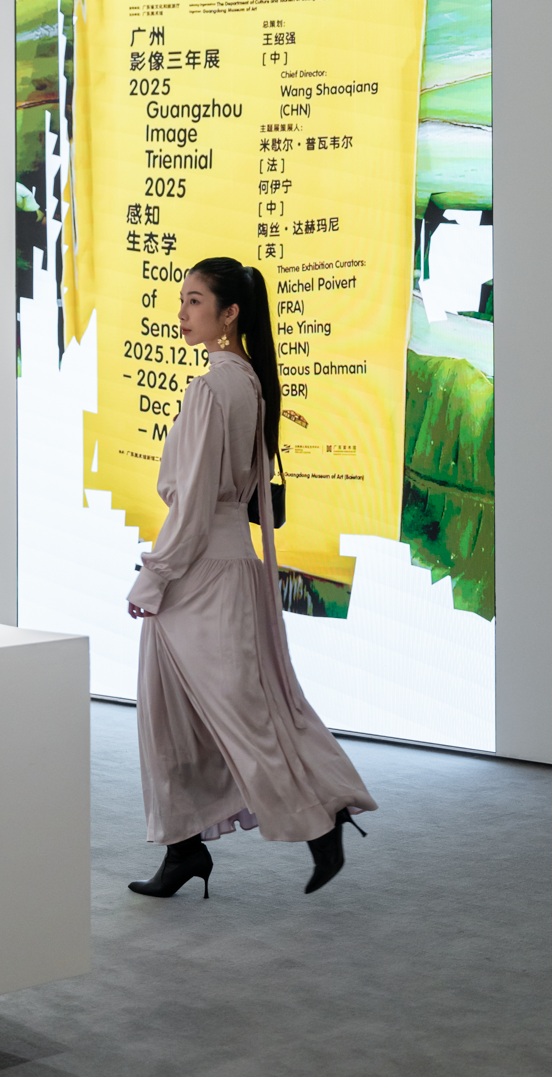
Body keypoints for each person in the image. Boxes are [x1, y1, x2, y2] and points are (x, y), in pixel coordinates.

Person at [126, 257, 376, 899]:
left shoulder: (213, 388)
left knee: (235, 713)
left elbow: (195, 504)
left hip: (199, 570)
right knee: (190, 709)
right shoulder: (250, 384)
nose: (182, 312)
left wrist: (155, 577)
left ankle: (319, 817)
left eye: (195, 300)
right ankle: (184, 850)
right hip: (225, 564)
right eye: (182, 299)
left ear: (230, 313)